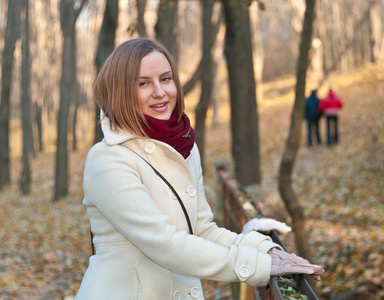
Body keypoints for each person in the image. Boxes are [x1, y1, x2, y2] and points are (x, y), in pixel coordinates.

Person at [76, 38, 324, 299]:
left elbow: (203, 230)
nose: (160, 92)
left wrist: (265, 250)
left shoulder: (184, 147)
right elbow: (163, 243)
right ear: (120, 92)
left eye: (166, 78)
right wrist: (256, 266)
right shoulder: (107, 159)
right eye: (143, 83)